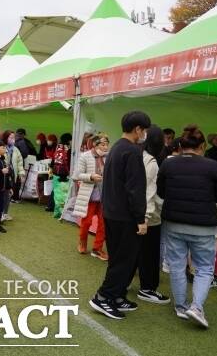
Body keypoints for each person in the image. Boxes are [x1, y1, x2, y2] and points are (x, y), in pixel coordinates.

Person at [157, 124, 217, 328]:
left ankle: (181, 307)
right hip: (203, 225)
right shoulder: (213, 166)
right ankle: (196, 307)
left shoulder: (168, 165)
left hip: (173, 223)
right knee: (204, 268)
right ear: (203, 145)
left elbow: (161, 193)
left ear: (181, 144)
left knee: (177, 266)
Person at [89, 111, 150, 320]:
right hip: (124, 216)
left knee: (118, 258)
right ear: (138, 129)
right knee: (124, 260)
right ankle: (103, 297)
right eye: (145, 130)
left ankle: (116, 296)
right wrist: (141, 219)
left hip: (113, 212)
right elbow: (136, 188)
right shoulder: (132, 151)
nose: (145, 134)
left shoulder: (116, 147)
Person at [137, 125, 170, 304]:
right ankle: (148, 288)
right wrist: (146, 217)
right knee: (149, 254)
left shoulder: (138, 155)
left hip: (135, 212)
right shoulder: (151, 161)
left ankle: (126, 284)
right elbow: (150, 193)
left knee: (136, 252)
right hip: (149, 217)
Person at [74, 133, 109, 261]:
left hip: (104, 196)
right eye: (103, 144)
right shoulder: (85, 156)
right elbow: (77, 175)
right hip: (89, 195)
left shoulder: (108, 157)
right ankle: (82, 242)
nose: (105, 147)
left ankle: (97, 248)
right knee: (86, 221)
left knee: (103, 223)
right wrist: (90, 177)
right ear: (95, 144)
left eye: (107, 144)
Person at [1, 130, 24, 220]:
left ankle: (5, 213)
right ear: (6, 138)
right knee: (2, 196)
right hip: (3, 176)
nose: (13, 139)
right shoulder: (1, 148)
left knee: (8, 195)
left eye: (14, 137)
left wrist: (21, 173)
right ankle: (0, 213)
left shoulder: (15, 149)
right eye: (11, 137)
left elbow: (20, 162)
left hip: (12, 175)